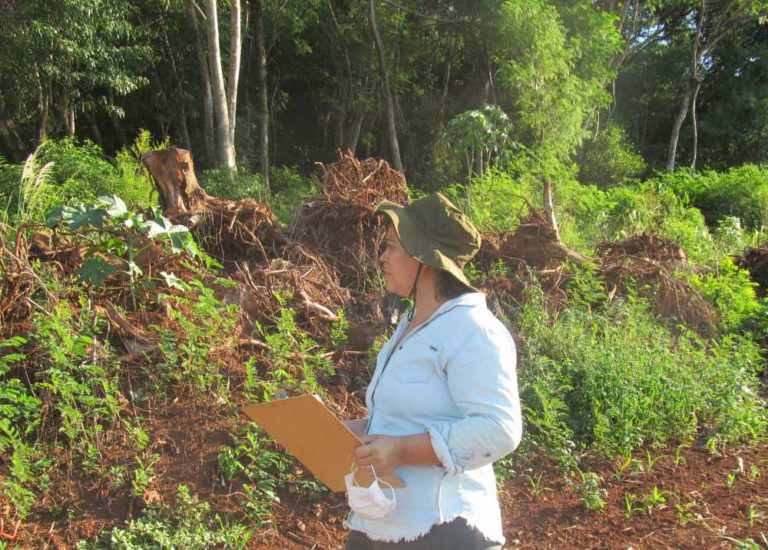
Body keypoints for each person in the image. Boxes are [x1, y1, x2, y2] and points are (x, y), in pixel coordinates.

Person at [344, 193, 522, 550]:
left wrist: (403, 451)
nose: (382, 257)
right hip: (382, 522)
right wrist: (342, 432)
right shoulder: (411, 325)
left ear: (424, 257)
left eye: (391, 246)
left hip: (443, 529)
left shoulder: (473, 329)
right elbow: (405, 418)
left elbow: (500, 429)